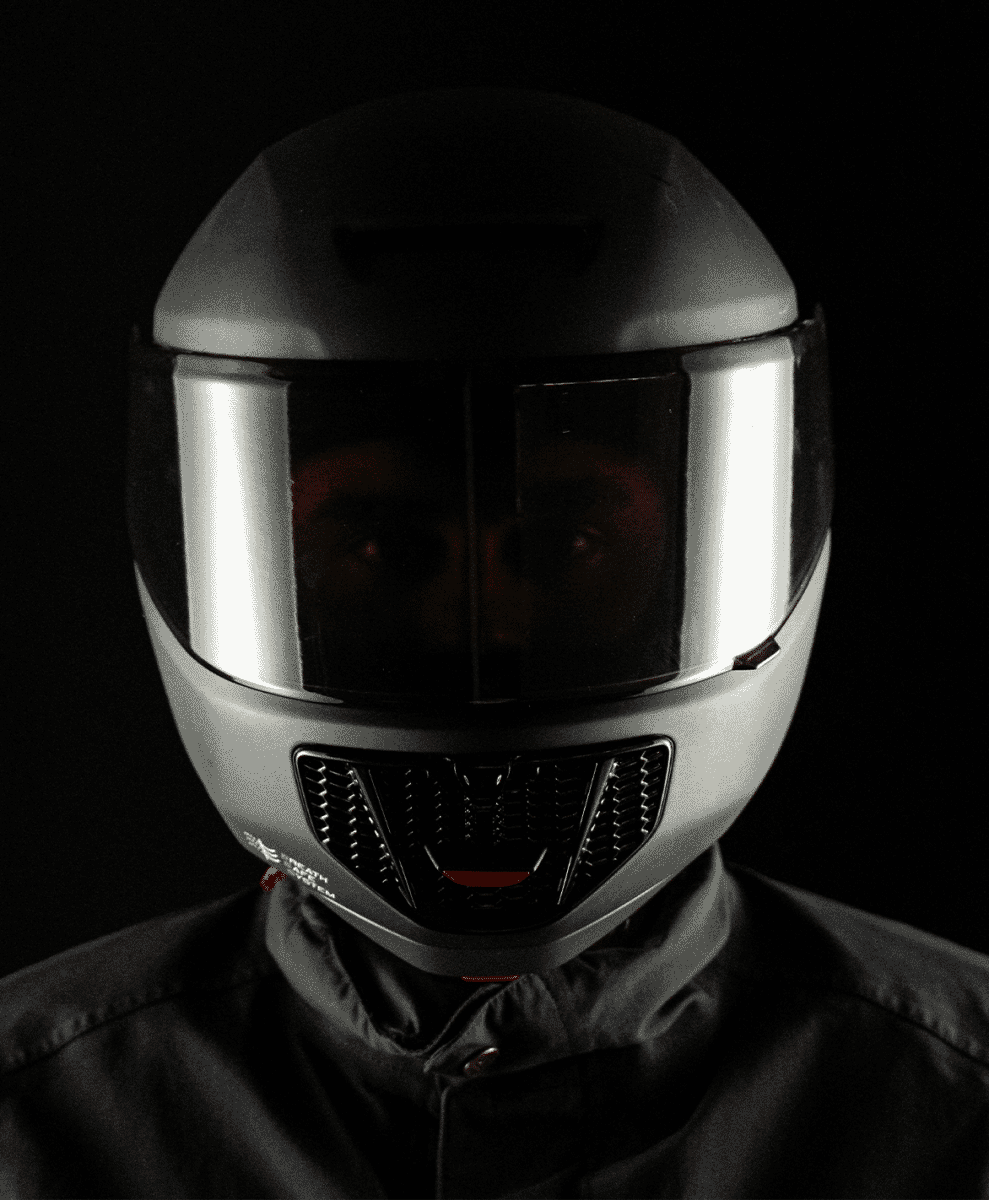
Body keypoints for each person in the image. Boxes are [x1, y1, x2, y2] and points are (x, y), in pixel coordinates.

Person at [2, 86, 987, 1200]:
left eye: (564, 543)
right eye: (379, 549)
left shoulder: (956, 1111)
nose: (485, 628)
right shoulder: (30, 1125)